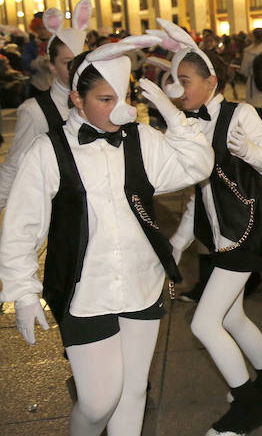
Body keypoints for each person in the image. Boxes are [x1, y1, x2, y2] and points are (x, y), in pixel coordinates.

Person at [0, 36, 214, 436]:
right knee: (99, 401)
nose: (120, 108)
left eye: (124, 96)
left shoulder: (143, 138)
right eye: (104, 99)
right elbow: (20, 227)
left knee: (132, 394)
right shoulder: (49, 151)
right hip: (85, 293)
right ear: (78, 101)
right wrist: (23, 290)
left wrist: (176, 119)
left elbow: (196, 167)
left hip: (142, 282)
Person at [159, 19, 262, 436]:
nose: (178, 90)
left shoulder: (240, 114)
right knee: (231, 318)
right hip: (220, 237)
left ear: (210, 81)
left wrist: (248, 149)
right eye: (174, 82)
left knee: (203, 323)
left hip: (248, 232)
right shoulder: (189, 125)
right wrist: (177, 244)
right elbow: (197, 196)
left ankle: (251, 408)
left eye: (185, 81)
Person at [0, 0, 91, 208]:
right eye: (68, 62)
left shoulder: (102, 101)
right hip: (61, 217)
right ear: (51, 66)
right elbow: (14, 167)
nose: (77, 68)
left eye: (83, 59)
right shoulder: (35, 111)